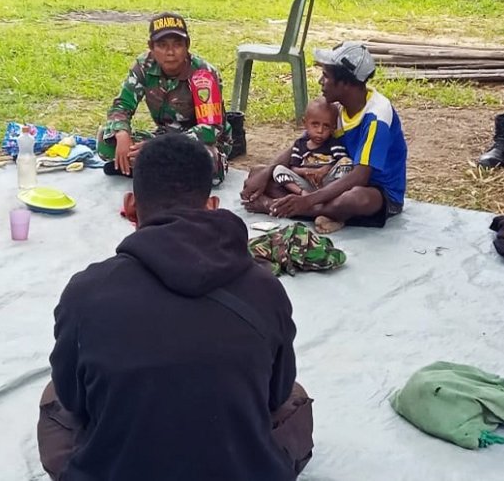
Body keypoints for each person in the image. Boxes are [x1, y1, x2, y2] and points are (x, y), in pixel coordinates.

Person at [39, 134, 313, 480]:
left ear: (130, 207)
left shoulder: (85, 292)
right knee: (295, 396)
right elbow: (276, 394)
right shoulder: (265, 288)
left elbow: (74, 400)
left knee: (54, 397)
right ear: (213, 206)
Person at [241, 42, 407, 234]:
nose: (321, 81)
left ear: (345, 84)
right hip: (335, 180)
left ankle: (274, 206)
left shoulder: (377, 116)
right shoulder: (339, 109)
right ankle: (325, 212)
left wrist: (308, 200)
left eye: (326, 76)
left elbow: (361, 176)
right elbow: (301, 144)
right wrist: (267, 171)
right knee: (257, 173)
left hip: (376, 191)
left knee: (355, 199)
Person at [97, 12, 231, 185]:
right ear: (151, 47)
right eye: (162, 45)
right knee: (105, 142)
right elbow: (121, 106)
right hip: (163, 136)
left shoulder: (203, 74)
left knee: (210, 164)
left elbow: (211, 129)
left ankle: (145, 168)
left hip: (198, 143)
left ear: (187, 46)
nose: (170, 52)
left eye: (177, 45)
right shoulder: (144, 66)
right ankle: (162, 170)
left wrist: (160, 146)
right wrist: (122, 133)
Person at [272, 96, 351, 196]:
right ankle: (302, 194)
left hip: (328, 184)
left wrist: (325, 169)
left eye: (326, 126)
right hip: (307, 184)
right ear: (305, 124)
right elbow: (293, 168)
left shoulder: (334, 143)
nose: (320, 131)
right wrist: (305, 171)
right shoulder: (300, 144)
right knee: (278, 170)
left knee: (347, 163)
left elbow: (342, 161)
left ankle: (332, 195)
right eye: (315, 124)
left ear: (333, 128)